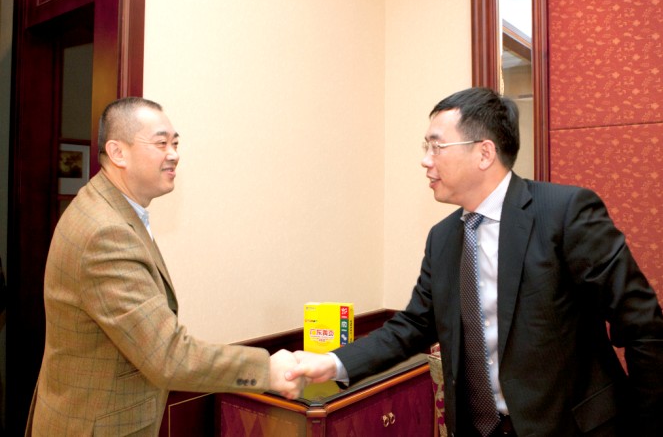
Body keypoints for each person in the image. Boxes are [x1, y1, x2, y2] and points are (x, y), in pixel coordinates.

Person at [287, 87, 663, 436]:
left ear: (484, 153)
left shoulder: (564, 213)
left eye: (436, 146)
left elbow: (642, 325)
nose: (425, 160)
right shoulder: (443, 238)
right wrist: (331, 363)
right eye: (425, 147)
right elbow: (413, 325)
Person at [25, 97, 304, 436]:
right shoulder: (105, 232)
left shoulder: (109, 208)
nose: (173, 154)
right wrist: (267, 371)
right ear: (118, 152)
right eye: (161, 143)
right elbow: (168, 356)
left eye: (175, 143)